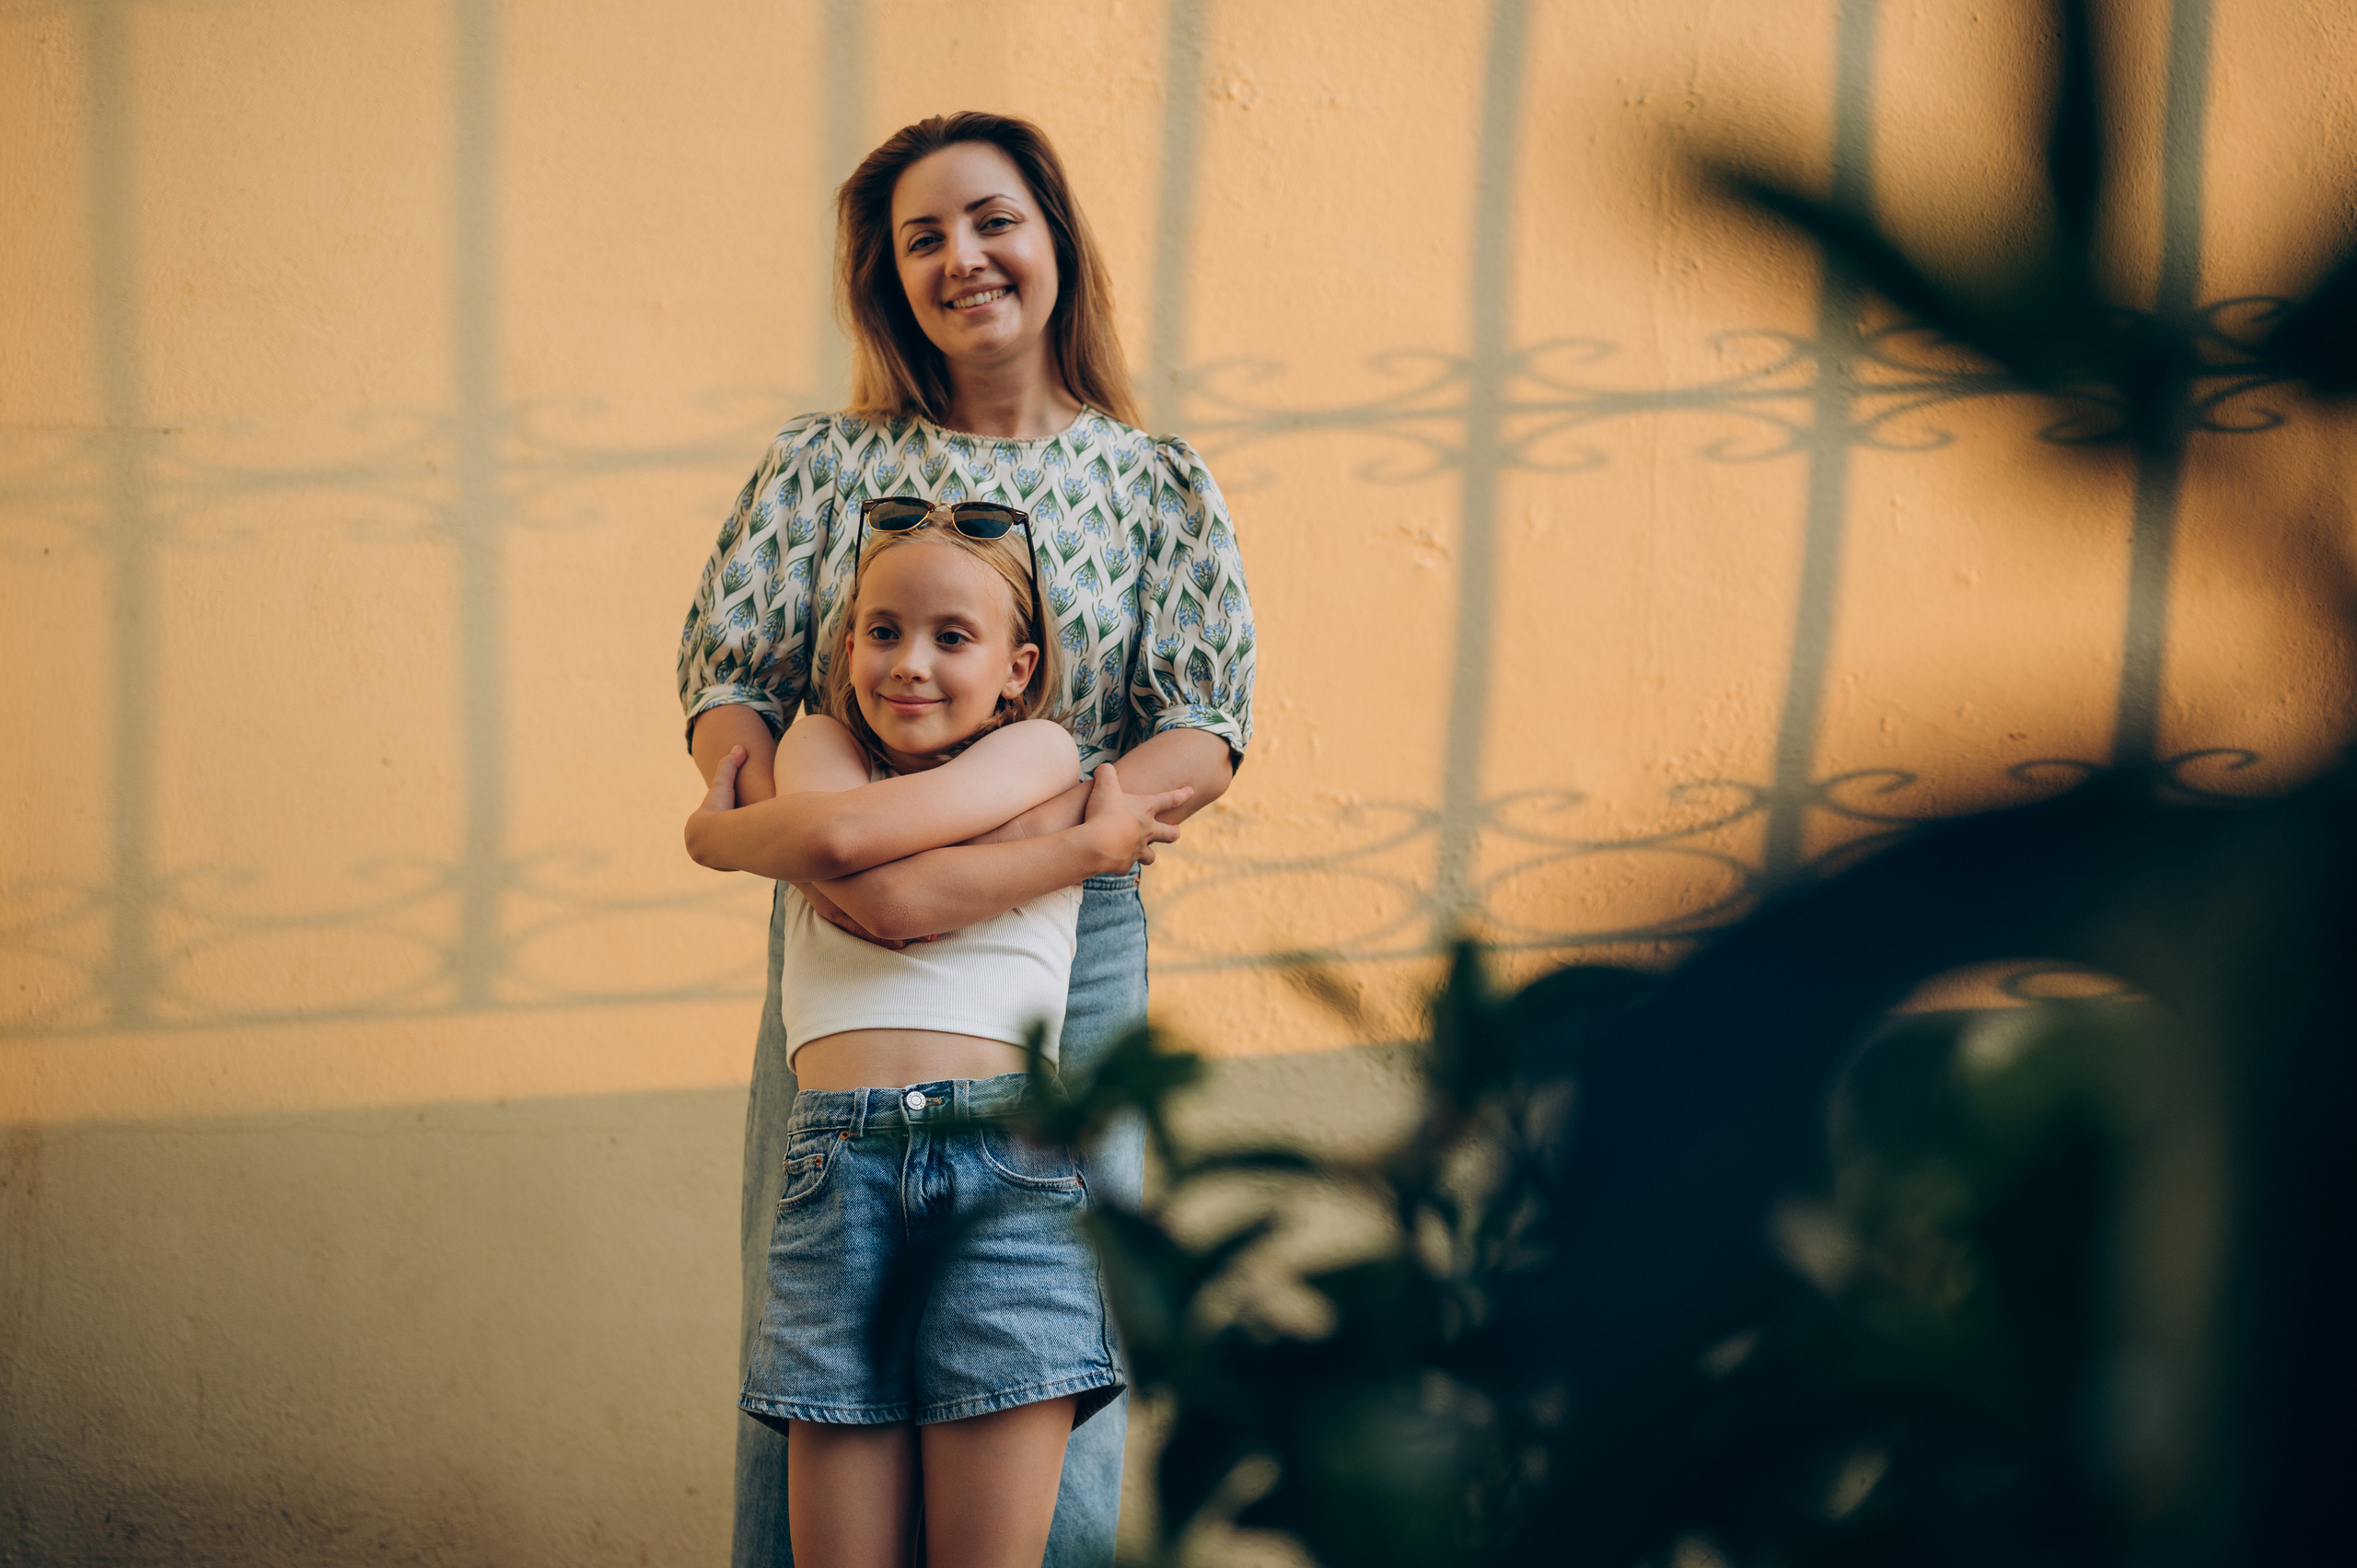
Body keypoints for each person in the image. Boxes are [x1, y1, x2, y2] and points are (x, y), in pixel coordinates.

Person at [676, 110, 1256, 1568]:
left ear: (1054, 235)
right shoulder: (820, 462)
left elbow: (1199, 716)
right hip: (842, 917)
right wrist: (831, 844)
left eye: (990, 219)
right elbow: (737, 685)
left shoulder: (1151, 478)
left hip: (1073, 933)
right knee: (821, 1311)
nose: (962, 258)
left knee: (1045, 1317)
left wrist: (1048, 831)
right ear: (887, 277)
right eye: (920, 236)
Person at [686, 505, 1192, 1568]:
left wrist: (738, 834)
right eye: (881, 630)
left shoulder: (1045, 749)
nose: (908, 663)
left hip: (1007, 1171)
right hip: (842, 1165)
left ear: (1019, 666)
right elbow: (851, 848)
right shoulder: (821, 743)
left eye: (949, 637)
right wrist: (1082, 844)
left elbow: (883, 887)